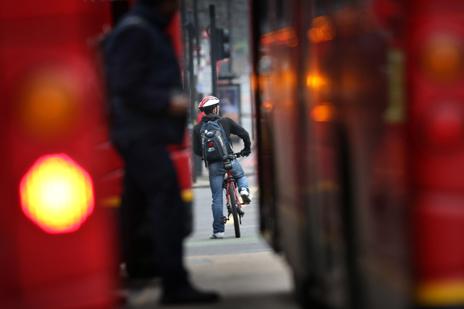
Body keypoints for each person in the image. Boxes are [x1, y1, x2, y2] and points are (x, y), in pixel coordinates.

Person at [102, 0, 219, 305]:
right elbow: (125, 85)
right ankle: (175, 285)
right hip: (141, 135)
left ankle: (105, 280)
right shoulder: (136, 32)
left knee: (132, 211)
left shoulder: (146, 28)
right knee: (166, 204)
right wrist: (166, 103)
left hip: (141, 134)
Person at [193, 96, 252, 239]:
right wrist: (246, 149)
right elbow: (244, 134)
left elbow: (196, 150)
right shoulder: (225, 121)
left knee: (217, 198)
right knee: (240, 176)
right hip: (229, 160)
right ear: (215, 108)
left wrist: (206, 156)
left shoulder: (197, 128)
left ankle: (218, 231)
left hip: (214, 166)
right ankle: (244, 190)